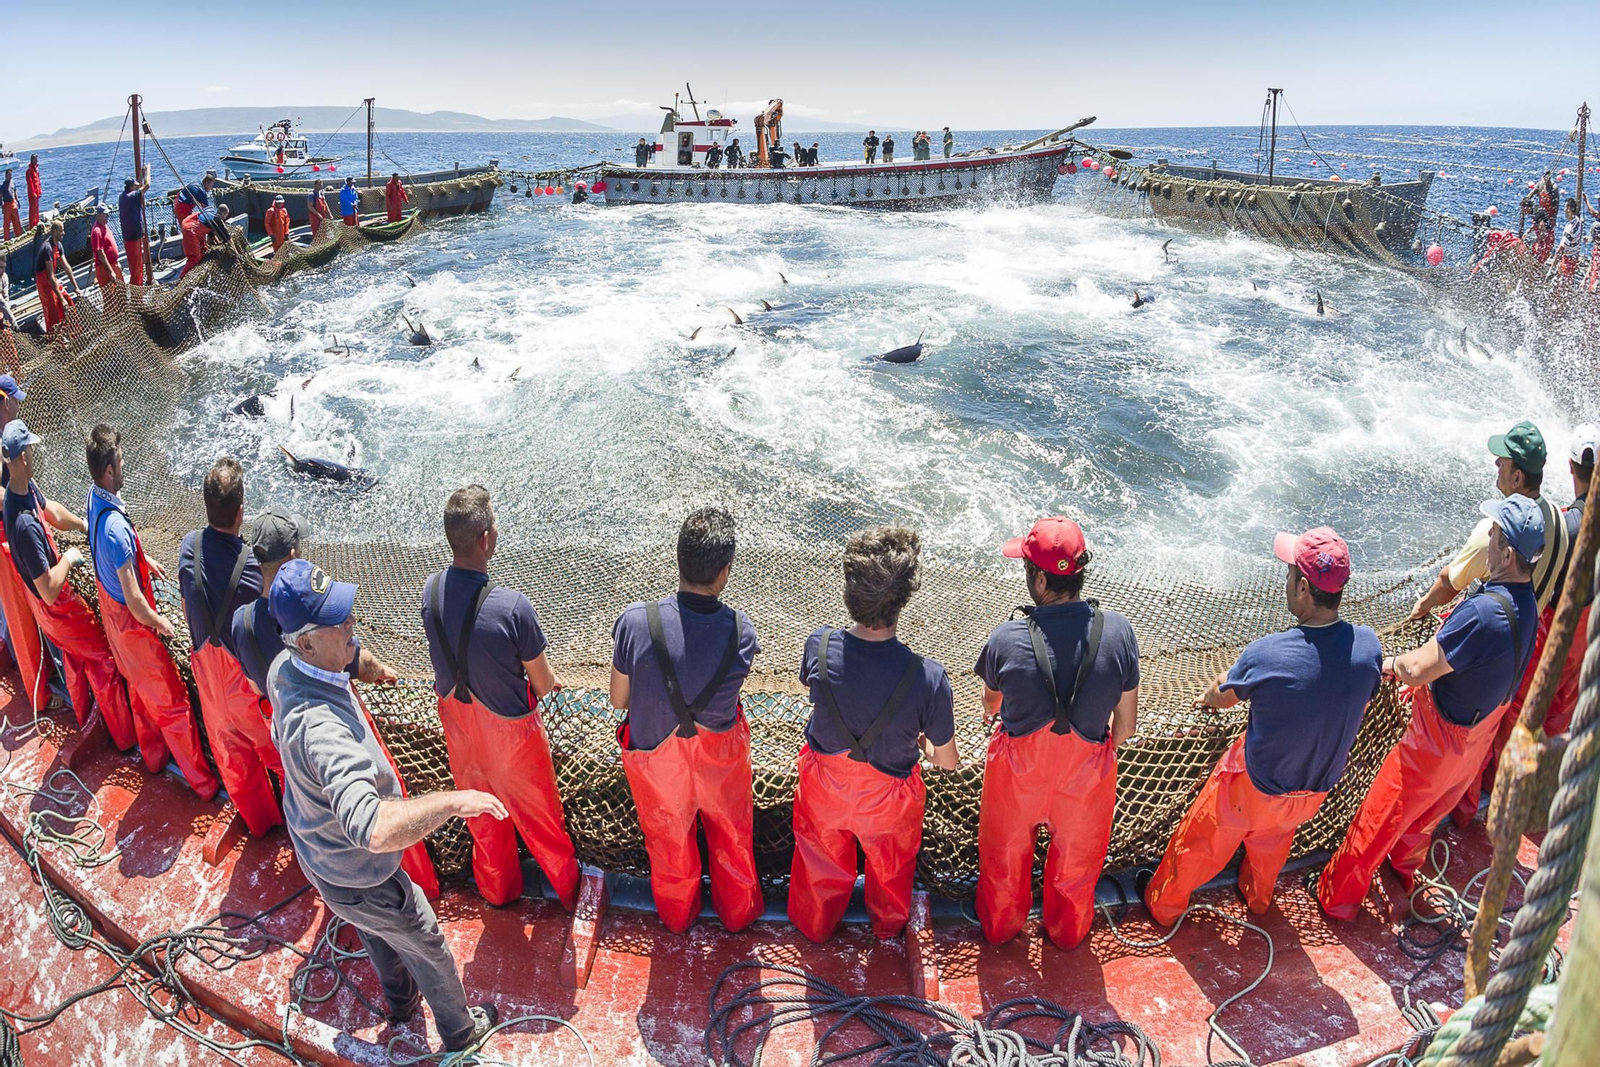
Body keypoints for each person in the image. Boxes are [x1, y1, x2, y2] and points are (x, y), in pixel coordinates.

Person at [267, 558, 499, 1053]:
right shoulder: (322, 730)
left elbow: (349, 658)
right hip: (363, 872)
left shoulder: (284, 666)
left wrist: (373, 668)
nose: (352, 623)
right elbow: (371, 828)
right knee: (425, 939)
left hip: (322, 859)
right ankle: (460, 1032)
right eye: (338, 621)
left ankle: (400, 1005)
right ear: (307, 641)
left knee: (376, 932)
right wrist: (452, 801)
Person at [1318, 496, 1543, 921]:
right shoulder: (1526, 603)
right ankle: (1403, 871)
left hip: (1437, 740)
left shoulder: (1481, 613)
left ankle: (1338, 899)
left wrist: (1386, 664)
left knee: (1380, 815)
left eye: (1493, 535)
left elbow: (1418, 668)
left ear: (1508, 554)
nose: (1488, 540)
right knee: (1427, 814)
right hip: (1476, 739)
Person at [1146, 528, 1381, 924]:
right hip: (1312, 793)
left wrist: (1207, 697)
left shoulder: (1268, 653)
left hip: (1254, 787)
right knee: (1273, 842)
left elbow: (1224, 693)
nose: (1286, 581)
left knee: (1202, 842)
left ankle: (1164, 906)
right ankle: (1257, 899)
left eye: (1289, 574)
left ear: (1304, 588)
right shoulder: (1368, 646)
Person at [974, 518, 1140, 948]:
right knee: (1077, 869)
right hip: (1084, 780)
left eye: (1028, 569)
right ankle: (1066, 936)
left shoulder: (1005, 639)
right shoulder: (1119, 632)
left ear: (1042, 579)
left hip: (1019, 776)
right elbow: (1126, 727)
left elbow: (990, 705)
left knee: (1004, 864)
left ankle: (1001, 929)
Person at [788, 526, 958, 942]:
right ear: (903, 599)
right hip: (889, 803)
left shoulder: (819, 645)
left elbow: (815, 687)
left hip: (826, 789)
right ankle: (886, 930)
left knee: (819, 862)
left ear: (850, 590)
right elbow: (948, 760)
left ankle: (816, 926)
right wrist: (923, 745)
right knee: (891, 869)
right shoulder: (929, 677)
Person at [420, 487, 578, 908]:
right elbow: (543, 684)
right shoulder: (513, 608)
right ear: (486, 539)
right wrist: (552, 681)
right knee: (542, 823)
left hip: (461, 734)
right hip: (511, 743)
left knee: (481, 819)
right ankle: (568, 893)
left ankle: (498, 892)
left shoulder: (430, 593)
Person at [1406, 422, 1570, 824]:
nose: (1496, 464)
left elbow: (1449, 582)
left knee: (1441, 748)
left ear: (1517, 476)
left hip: (1484, 638)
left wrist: (1421, 608)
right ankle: (1464, 811)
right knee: (1485, 736)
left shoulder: (1491, 535)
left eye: (1503, 460)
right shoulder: (1559, 523)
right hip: (1522, 641)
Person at [611, 507, 763, 934]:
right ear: (725, 572)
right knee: (733, 838)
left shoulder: (635, 622)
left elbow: (619, 700)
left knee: (669, 842)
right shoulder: (742, 631)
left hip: (657, 763)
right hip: (720, 757)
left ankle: (678, 918)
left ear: (678, 557)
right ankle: (737, 916)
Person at [85, 425, 219, 798]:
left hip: (114, 625)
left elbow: (116, 561)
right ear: (109, 470)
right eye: (121, 461)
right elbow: (134, 600)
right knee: (172, 703)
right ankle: (205, 785)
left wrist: (147, 560)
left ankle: (154, 758)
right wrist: (162, 623)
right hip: (133, 628)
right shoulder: (116, 530)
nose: (125, 465)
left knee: (140, 695)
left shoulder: (94, 500)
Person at [2, 419, 136, 747]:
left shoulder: (20, 490)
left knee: (75, 655)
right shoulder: (24, 526)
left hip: (50, 608)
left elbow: (52, 512)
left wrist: (83, 525)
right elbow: (48, 590)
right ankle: (123, 738)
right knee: (103, 655)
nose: (33, 455)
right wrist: (69, 558)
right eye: (30, 450)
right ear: (21, 458)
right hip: (55, 607)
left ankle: (84, 713)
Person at [178, 458, 282, 836]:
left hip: (208, 681)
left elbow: (190, 603)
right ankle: (298, 824)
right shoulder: (253, 567)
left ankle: (261, 825)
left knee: (234, 762)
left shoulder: (190, 547)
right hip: (244, 689)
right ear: (242, 511)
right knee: (279, 757)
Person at [0, 379, 51, 715]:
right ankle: (40, 693)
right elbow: (48, 590)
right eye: (15, 400)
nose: (18, 404)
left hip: (12, 539)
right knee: (17, 621)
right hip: (9, 547)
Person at [35, 222, 80, 333]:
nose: (63, 233)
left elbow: (67, 267)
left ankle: (75, 333)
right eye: (61, 231)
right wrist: (60, 298)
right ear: (54, 231)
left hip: (52, 279)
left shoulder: (59, 245)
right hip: (44, 283)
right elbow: (49, 277)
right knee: (53, 310)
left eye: (63, 230)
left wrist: (76, 287)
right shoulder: (47, 248)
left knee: (68, 301)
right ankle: (56, 342)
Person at [180, 204, 230, 277]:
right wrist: (231, 247)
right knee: (195, 257)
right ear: (223, 213)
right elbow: (226, 236)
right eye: (225, 216)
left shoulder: (212, 209)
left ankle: (199, 267)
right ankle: (183, 276)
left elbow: (210, 229)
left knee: (203, 248)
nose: (225, 218)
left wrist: (217, 242)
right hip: (191, 229)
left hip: (190, 221)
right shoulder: (217, 219)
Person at [118, 174, 149, 287]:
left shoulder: (123, 196)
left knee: (135, 265)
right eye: (135, 184)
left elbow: (137, 187)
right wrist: (148, 171)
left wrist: (141, 174)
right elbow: (147, 185)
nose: (137, 185)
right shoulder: (132, 196)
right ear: (131, 187)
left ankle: (137, 288)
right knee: (137, 267)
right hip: (133, 238)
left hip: (128, 236)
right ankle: (137, 292)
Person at [89, 205, 124, 291]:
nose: (107, 217)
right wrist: (110, 271)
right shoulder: (97, 231)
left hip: (113, 265)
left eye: (108, 214)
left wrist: (116, 262)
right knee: (111, 295)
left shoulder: (105, 226)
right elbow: (100, 253)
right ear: (99, 215)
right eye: (105, 215)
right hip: (104, 269)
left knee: (121, 291)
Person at [1, 168, 20, 241]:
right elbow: (1, 197)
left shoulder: (13, 183)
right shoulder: (3, 186)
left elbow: (15, 192)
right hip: (7, 205)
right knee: (6, 224)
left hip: (13, 204)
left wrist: (17, 200)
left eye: (11, 175)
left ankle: (19, 236)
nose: (10, 176)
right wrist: (2, 207)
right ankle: (7, 239)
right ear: (6, 175)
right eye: (9, 175)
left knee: (16, 222)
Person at [25, 155, 41, 230]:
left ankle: (37, 222)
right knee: (32, 209)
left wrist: (39, 190)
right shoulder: (29, 171)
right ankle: (32, 225)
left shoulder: (36, 169)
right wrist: (33, 193)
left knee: (37, 208)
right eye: (35, 159)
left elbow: (38, 181)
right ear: (32, 160)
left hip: (37, 192)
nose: (37, 161)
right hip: (32, 194)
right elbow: (30, 183)